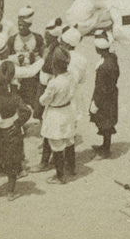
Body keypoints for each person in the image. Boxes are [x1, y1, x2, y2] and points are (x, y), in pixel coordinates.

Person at [0, 60, 30, 200]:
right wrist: (17, 123)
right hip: (11, 132)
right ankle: (10, 192)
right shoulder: (14, 97)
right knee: (12, 162)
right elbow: (26, 111)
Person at [40, 46, 78, 184]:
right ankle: (72, 167)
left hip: (55, 113)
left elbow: (43, 100)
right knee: (69, 140)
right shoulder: (71, 77)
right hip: (68, 110)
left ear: (54, 65)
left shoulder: (54, 83)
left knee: (56, 144)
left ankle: (60, 175)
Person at [90, 34, 119, 157]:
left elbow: (100, 88)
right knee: (107, 120)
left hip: (104, 97)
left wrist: (95, 103)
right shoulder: (112, 58)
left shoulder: (103, 67)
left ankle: (106, 149)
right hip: (111, 94)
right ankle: (105, 145)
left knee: (104, 121)